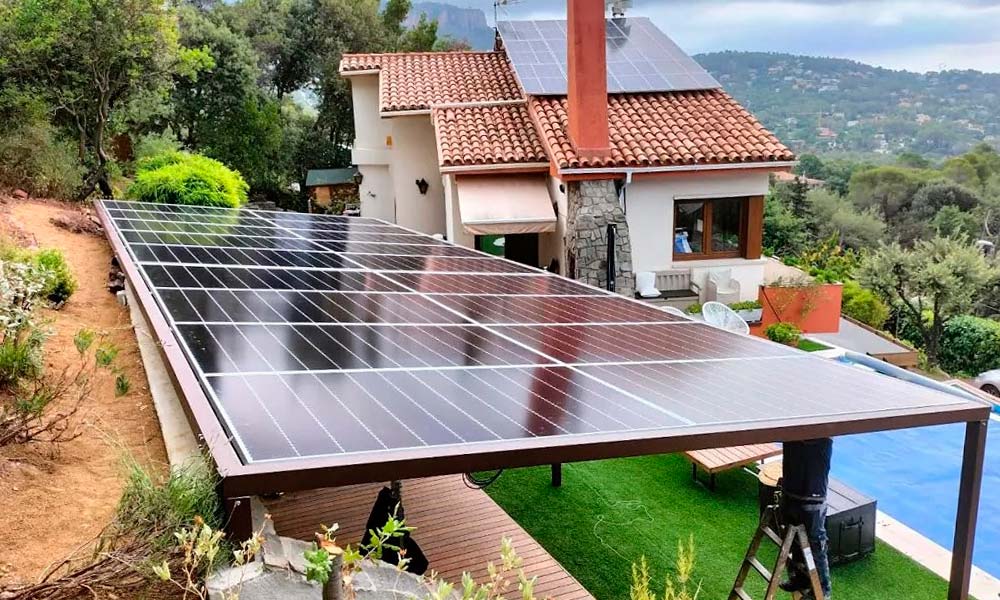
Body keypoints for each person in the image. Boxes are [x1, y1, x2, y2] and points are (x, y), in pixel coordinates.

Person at [780, 438, 833, 600]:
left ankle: (823, 589)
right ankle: (800, 579)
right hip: (791, 489)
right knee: (795, 537)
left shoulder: (823, 428)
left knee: (815, 542)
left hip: (812, 494)